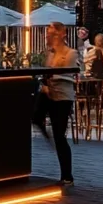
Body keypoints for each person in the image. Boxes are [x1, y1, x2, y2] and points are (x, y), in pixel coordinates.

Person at [33, 21, 78, 186]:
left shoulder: (71, 53)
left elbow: (70, 75)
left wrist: (52, 77)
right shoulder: (50, 53)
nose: (47, 37)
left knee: (60, 136)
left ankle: (67, 175)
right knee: (35, 115)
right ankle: (47, 135)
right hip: (50, 94)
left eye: (50, 34)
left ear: (60, 34)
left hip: (63, 97)